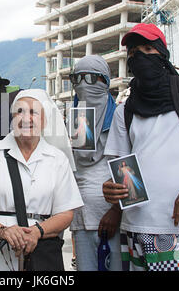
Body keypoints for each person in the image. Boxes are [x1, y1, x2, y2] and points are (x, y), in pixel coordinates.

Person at [102, 23, 179, 271]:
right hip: (134, 224)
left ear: (162, 53)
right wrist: (113, 198)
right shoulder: (125, 109)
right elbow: (124, 166)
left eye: (148, 48)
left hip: (173, 222)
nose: (139, 56)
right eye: (133, 52)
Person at [0, 89, 83, 271]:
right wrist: (2, 230)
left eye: (33, 112)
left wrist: (37, 232)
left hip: (40, 256)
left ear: (45, 120)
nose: (25, 118)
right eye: (19, 111)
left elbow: (65, 213)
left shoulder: (57, 160)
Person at [68, 55, 122, 271]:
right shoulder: (77, 118)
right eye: (77, 78)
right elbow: (76, 167)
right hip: (82, 217)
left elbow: (128, 170)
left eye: (91, 78)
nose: (83, 84)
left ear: (105, 82)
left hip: (114, 220)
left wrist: (116, 211)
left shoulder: (120, 117)